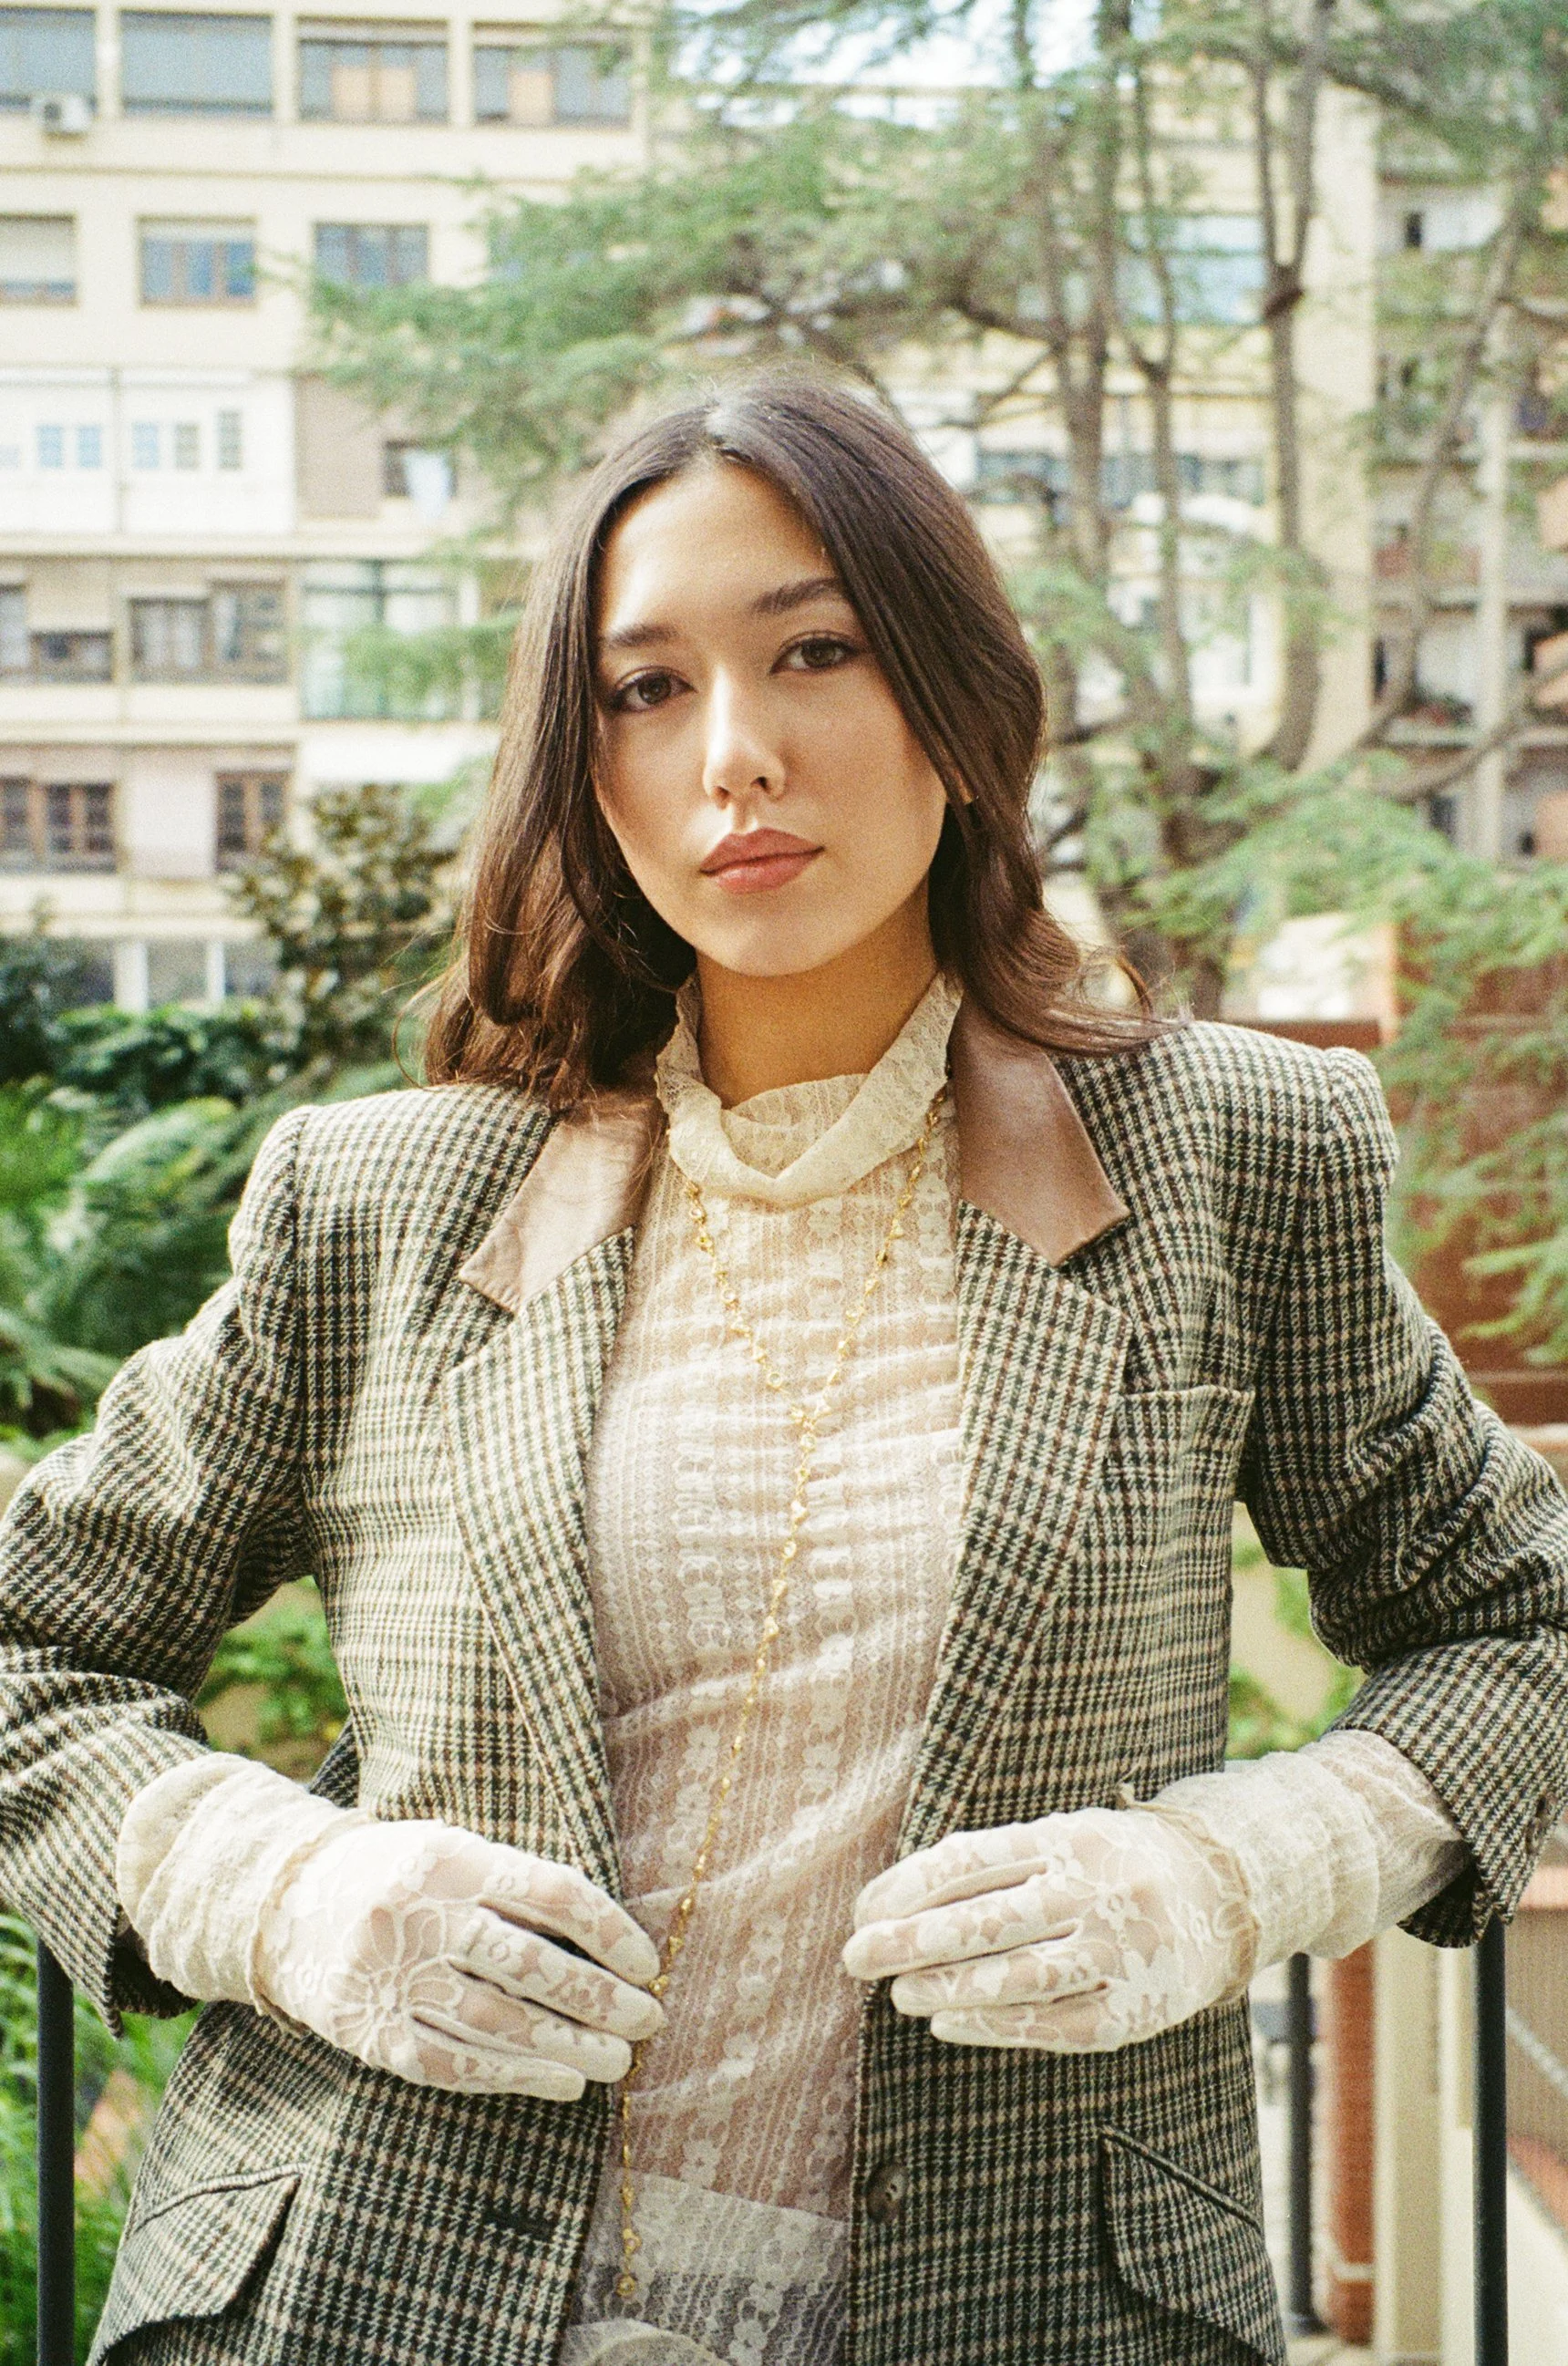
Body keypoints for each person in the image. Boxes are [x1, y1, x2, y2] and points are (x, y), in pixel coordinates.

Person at [2, 372, 1565, 2366]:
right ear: (583, 766)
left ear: (951, 696)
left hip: (1024, 2309)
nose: (732, 754)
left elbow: (1522, 1620)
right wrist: (278, 1887)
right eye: (643, 690)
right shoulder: (381, 1196)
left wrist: (1236, 1867)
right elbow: (28, 1649)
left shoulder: (1227, 1159)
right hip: (367, 2297)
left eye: (811, 649)